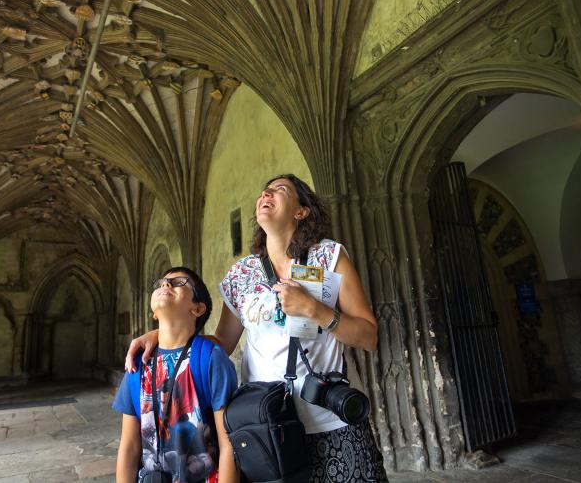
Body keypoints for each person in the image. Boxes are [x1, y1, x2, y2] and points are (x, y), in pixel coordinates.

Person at [126, 174, 387, 482]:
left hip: (330, 420)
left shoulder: (328, 256)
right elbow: (221, 342)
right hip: (267, 426)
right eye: (265, 190)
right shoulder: (241, 274)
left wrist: (314, 309)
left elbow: (369, 336)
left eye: (280, 190)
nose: (266, 192)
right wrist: (164, 334)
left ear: (301, 211)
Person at [114, 267, 239, 483]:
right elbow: (129, 447)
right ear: (153, 312)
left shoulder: (209, 359)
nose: (165, 284)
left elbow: (229, 443)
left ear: (198, 308)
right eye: (161, 282)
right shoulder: (138, 364)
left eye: (179, 282)